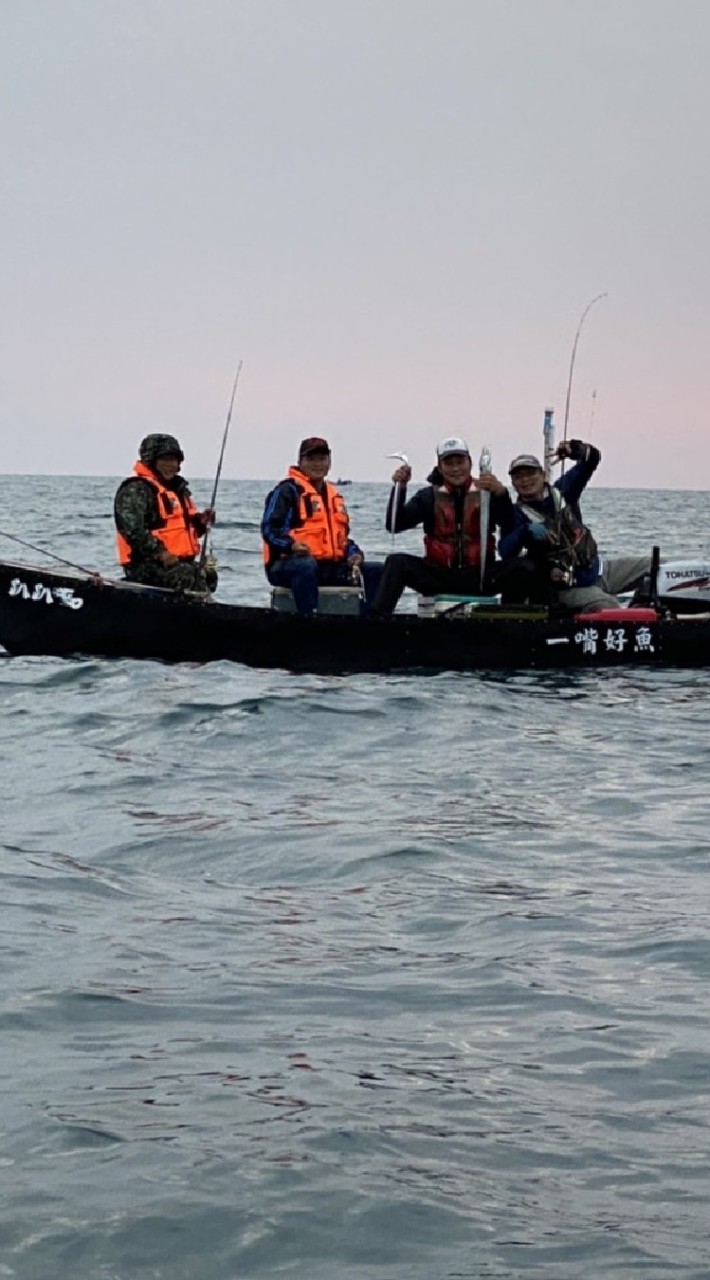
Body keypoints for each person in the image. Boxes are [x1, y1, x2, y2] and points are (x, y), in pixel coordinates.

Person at [368, 437, 524, 616]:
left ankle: (511, 620)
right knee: (396, 562)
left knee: (522, 567)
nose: (456, 469)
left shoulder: (486, 493)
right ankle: (377, 621)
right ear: (440, 467)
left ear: (470, 463)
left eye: (460, 462)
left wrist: (502, 494)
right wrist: (400, 487)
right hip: (439, 576)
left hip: (479, 576)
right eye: (449, 463)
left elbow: (509, 524)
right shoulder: (429, 496)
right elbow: (395, 524)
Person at [499, 440, 650, 611]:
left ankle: (643, 607)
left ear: (543, 475)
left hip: (599, 570)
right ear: (512, 482)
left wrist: (575, 449)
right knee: (609, 607)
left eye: (530, 473)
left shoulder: (564, 490)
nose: (525, 480)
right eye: (518, 477)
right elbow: (505, 551)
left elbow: (592, 459)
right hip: (567, 589)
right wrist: (525, 531)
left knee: (658, 567)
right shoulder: (515, 514)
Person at [261, 437, 383, 614]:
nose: (317, 464)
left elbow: (341, 539)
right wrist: (291, 545)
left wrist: (354, 554)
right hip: (287, 565)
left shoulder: (333, 496)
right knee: (306, 566)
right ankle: (310, 622)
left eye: (322, 459)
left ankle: (367, 623)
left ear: (329, 462)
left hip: (329, 568)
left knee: (377, 571)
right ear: (300, 462)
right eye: (311, 459)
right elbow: (269, 530)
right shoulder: (287, 491)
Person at [115, 433, 216, 593]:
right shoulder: (136, 489)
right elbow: (132, 531)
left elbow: (181, 530)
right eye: (164, 460)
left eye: (174, 460)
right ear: (151, 461)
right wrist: (160, 553)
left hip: (178, 562)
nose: (170, 465)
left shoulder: (178, 491)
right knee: (188, 577)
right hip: (145, 564)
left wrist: (200, 523)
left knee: (209, 576)